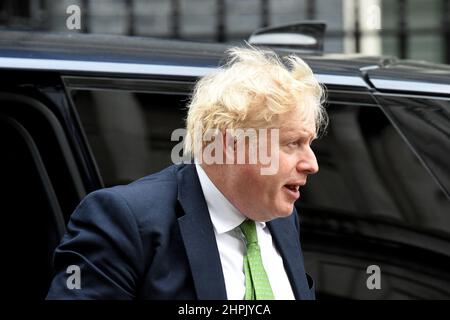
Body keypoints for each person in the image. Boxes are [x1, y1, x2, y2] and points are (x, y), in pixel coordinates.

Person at [46, 46, 327, 300]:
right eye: (293, 143)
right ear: (232, 145)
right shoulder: (124, 221)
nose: (312, 164)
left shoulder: (280, 218)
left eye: (309, 144)